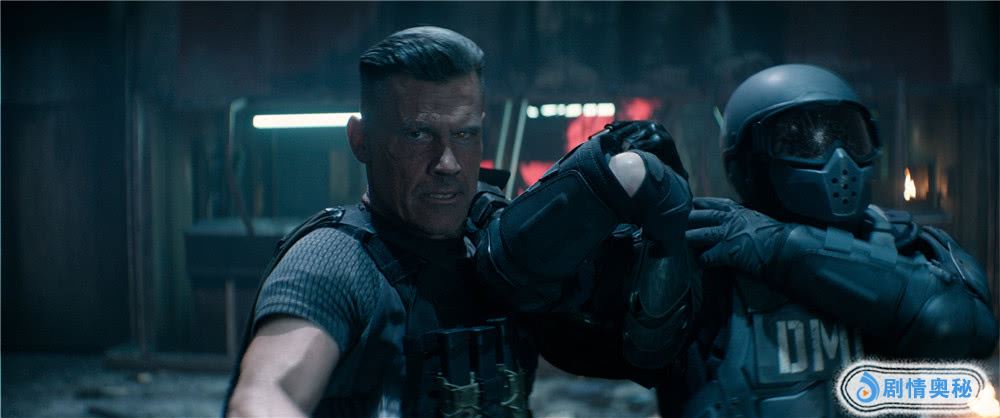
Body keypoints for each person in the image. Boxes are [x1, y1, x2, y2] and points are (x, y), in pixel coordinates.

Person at [225, 26, 698, 418]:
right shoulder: (332, 261)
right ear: (361, 141)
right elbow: (264, 398)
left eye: (466, 134)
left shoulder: (498, 248)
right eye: (418, 134)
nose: (447, 162)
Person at [656, 64, 999, 418]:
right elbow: (631, 346)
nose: (839, 159)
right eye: (801, 142)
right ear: (746, 163)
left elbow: (963, 328)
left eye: (850, 138)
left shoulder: (907, 242)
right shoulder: (714, 261)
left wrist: (782, 247)